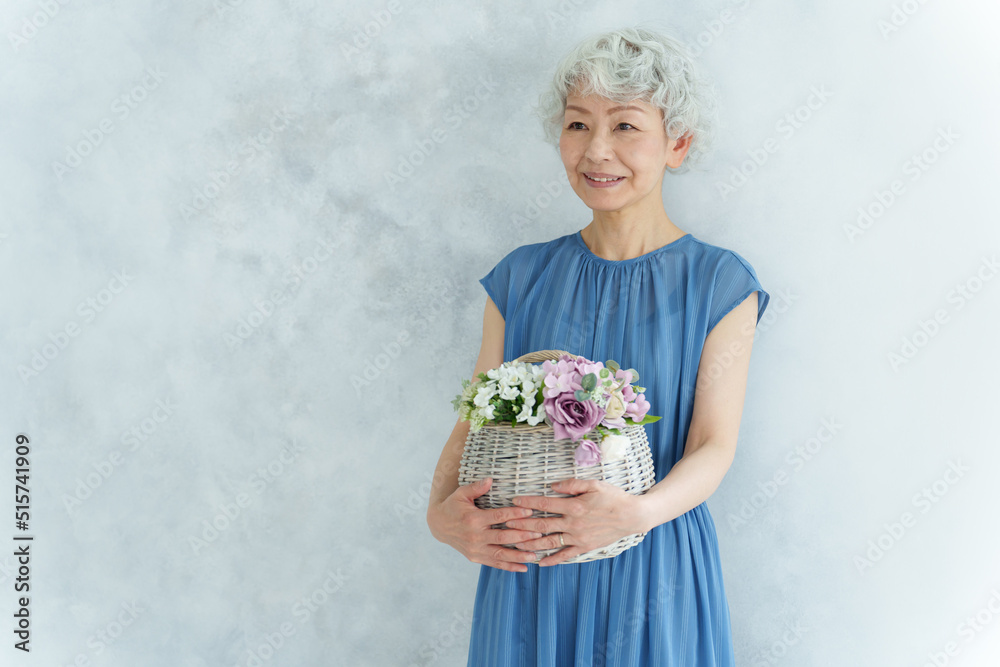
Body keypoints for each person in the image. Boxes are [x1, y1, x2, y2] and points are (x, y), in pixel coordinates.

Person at [426, 25, 770, 666]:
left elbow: (713, 445)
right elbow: (471, 427)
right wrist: (438, 516)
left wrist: (637, 514)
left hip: (654, 563)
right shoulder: (520, 278)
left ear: (679, 143)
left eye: (626, 126)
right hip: (531, 575)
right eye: (578, 124)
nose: (597, 151)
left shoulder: (719, 283)